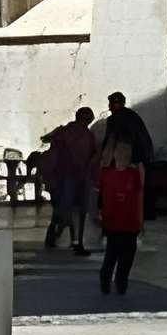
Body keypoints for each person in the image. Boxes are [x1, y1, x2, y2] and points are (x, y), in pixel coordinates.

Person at [42, 107, 98, 252]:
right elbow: (94, 157)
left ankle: (54, 237)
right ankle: (76, 242)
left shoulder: (65, 131)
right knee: (78, 212)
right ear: (89, 119)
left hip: (63, 177)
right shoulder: (87, 135)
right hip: (78, 177)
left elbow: (47, 141)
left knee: (62, 209)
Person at [96, 143, 145, 299]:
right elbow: (100, 197)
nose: (123, 154)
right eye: (120, 151)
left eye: (127, 151)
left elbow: (139, 197)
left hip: (130, 222)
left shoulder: (134, 174)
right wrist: (99, 215)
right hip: (112, 221)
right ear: (115, 154)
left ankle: (121, 282)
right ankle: (105, 279)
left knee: (127, 255)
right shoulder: (106, 173)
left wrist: (140, 220)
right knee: (112, 253)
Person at [103, 90, 155, 179]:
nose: (110, 106)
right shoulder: (132, 116)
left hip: (126, 161)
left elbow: (111, 141)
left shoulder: (116, 118)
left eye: (112, 103)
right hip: (137, 160)